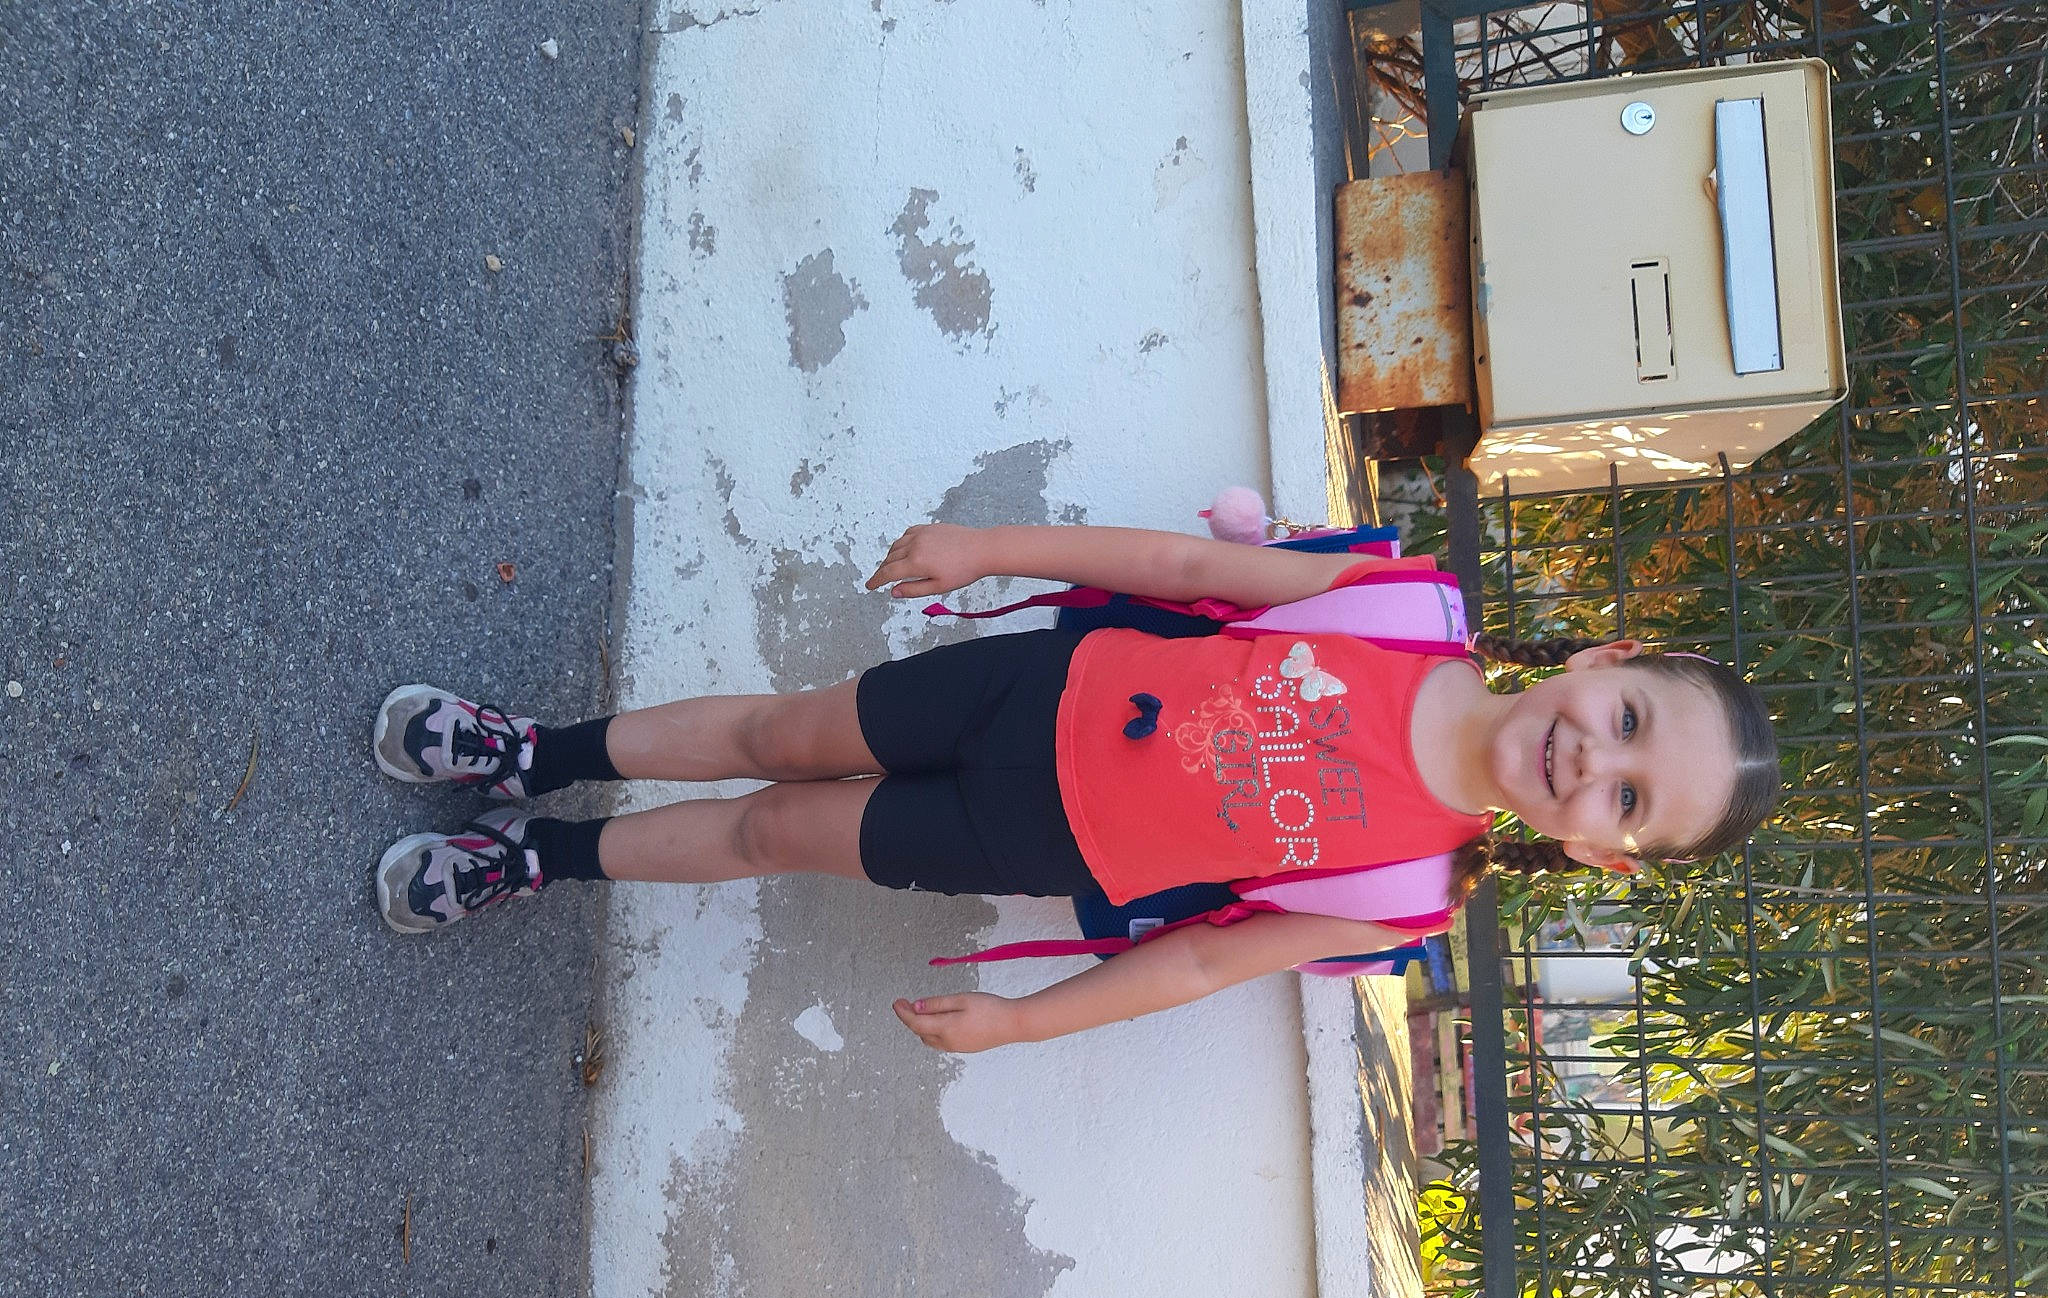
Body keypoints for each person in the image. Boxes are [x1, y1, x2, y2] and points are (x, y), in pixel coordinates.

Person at [370, 521, 1779, 1052]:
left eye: (1633, 798)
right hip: (1035, 689)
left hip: (1025, 830)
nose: (1596, 758)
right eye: (1631, 717)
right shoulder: (1405, 606)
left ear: (1605, 857)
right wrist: (992, 547)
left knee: (771, 828)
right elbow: (1190, 574)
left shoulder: (1403, 898)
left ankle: (534, 864)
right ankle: (530, 756)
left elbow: (1198, 966)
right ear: (1606, 655)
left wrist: (1022, 1026)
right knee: (779, 736)